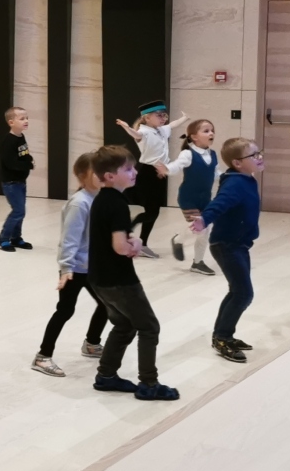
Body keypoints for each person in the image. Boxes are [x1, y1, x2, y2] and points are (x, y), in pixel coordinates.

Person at [88, 146, 179, 401]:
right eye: (128, 169)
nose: (135, 172)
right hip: (120, 280)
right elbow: (120, 247)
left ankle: (106, 376)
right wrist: (135, 245)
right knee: (149, 327)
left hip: (99, 278)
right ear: (109, 176)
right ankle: (149, 383)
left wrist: (132, 240)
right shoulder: (118, 204)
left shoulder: (101, 200)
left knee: (124, 324)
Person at [31, 153, 110, 377]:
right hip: (75, 269)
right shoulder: (79, 203)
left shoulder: (99, 198)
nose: (102, 175)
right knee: (65, 311)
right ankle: (43, 356)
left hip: (92, 267)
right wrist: (66, 268)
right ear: (82, 176)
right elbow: (69, 240)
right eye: (96, 171)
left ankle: (92, 343)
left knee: (107, 304)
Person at [189, 138, 264, 362]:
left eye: (259, 152)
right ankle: (222, 337)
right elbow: (219, 203)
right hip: (227, 245)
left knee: (237, 291)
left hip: (239, 244)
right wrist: (204, 219)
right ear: (237, 163)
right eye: (254, 155)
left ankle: (223, 335)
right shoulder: (235, 184)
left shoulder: (246, 179)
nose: (259, 157)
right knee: (243, 293)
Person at [114, 100, 186, 257]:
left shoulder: (161, 130)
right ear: (147, 118)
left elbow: (172, 125)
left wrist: (184, 118)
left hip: (160, 172)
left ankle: (143, 242)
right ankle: (128, 228)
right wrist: (126, 127)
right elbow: (136, 135)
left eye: (164, 115)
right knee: (151, 212)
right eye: (159, 115)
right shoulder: (144, 131)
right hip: (148, 173)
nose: (163, 118)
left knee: (154, 211)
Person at [166, 119, 219, 275]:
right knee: (201, 229)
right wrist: (166, 169)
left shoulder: (213, 154)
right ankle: (179, 240)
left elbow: (216, 173)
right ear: (194, 137)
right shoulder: (188, 153)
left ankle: (197, 263)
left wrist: (232, 178)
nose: (211, 133)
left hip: (205, 199)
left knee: (205, 230)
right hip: (188, 198)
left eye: (212, 130)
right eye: (206, 131)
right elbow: (176, 166)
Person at [0, 106, 34, 251]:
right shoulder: (9, 141)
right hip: (11, 183)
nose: (26, 121)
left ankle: (16, 238)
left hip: (20, 181)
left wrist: (29, 159)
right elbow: (10, 163)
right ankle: (3, 238)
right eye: (22, 118)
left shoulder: (21, 137)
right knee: (18, 211)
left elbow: (24, 154)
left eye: (27, 118)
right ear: (11, 122)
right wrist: (28, 165)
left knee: (20, 211)